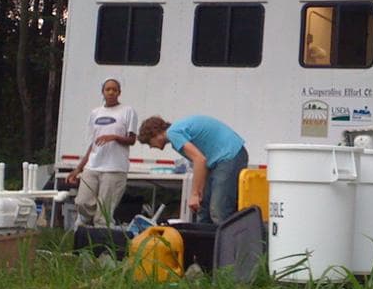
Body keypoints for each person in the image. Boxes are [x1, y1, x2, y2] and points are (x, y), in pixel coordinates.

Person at [138, 115, 248, 224]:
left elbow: (199, 160)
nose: (151, 147)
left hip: (230, 156)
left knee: (218, 210)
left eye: (149, 142)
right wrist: (200, 193)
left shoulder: (173, 133)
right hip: (220, 159)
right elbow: (202, 165)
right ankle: (203, 234)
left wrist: (195, 194)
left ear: (155, 134)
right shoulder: (177, 130)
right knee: (203, 208)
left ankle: (227, 234)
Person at [67, 78, 138, 227]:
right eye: (108, 89)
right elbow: (92, 144)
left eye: (114, 90)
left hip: (114, 168)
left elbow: (132, 140)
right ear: (103, 92)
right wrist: (78, 169)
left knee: (104, 213)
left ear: (119, 92)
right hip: (93, 166)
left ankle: (101, 233)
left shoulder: (127, 111)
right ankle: (87, 219)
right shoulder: (95, 113)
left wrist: (115, 137)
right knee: (82, 202)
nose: (111, 92)